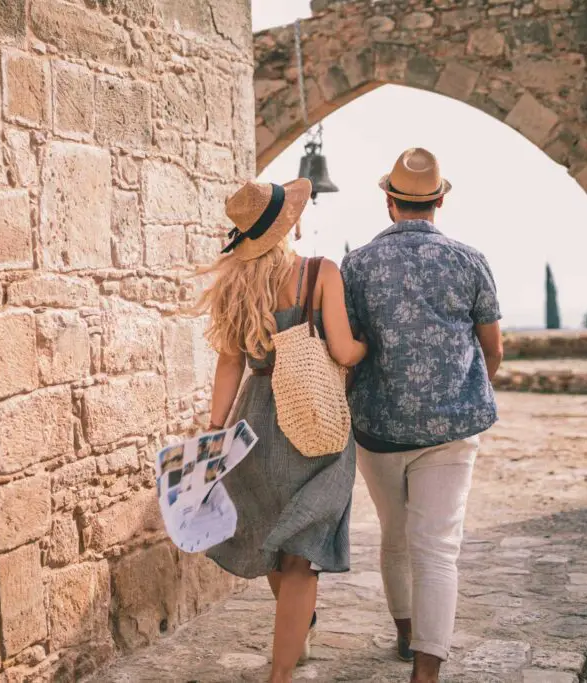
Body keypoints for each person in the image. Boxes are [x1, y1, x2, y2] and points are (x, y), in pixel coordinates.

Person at [341, 148, 504, 683]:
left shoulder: (358, 263)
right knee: (437, 547)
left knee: (394, 534)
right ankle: (426, 672)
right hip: (452, 430)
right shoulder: (470, 260)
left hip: (378, 428)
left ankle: (407, 634)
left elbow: (348, 347)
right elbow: (492, 349)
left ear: (389, 201)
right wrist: (456, 392)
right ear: (439, 201)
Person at [195, 178, 367, 683]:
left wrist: (213, 429)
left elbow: (230, 364)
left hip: (254, 423)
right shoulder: (320, 273)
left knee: (274, 536)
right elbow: (341, 349)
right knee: (302, 554)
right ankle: (280, 674)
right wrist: (366, 348)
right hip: (314, 420)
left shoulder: (237, 286)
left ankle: (298, 638)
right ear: (289, 226)